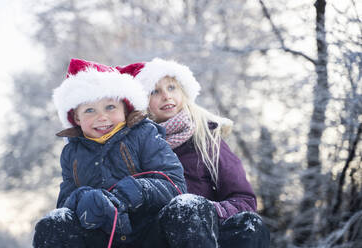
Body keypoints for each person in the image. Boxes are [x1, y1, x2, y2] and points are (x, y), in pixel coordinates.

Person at [32, 58, 187, 248]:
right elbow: (65, 200)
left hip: (148, 230)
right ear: (77, 118)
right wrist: (82, 199)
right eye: (89, 110)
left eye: (110, 107)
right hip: (101, 236)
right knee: (55, 223)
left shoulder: (144, 134)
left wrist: (135, 191)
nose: (101, 117)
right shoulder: (71, 152)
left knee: (187, 208)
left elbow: (175, 185)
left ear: (125, 109)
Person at [117, 58, 271, 248]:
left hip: (206, 232)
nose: (166, 96)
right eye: (155, 91)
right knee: (185, 208)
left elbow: (244, 200)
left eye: (172, 87)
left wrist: (207, 212)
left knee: (250, 225)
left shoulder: (207, 140)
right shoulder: (132, 147)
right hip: (155, 235)